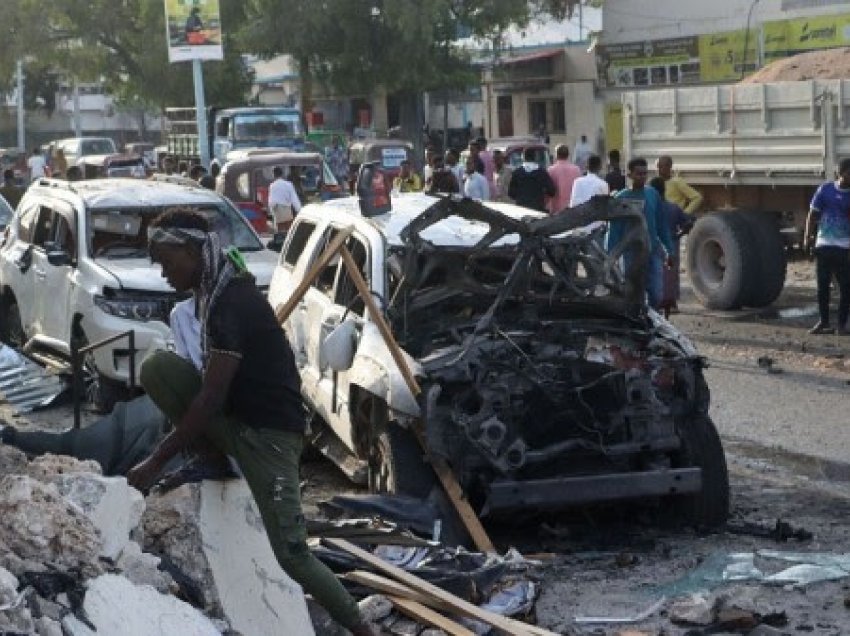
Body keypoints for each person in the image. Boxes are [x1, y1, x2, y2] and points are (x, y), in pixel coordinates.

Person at [126, 209, 376, 635]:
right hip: (239, 425)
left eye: (168, 261)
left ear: (192, 251)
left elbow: (210, 397)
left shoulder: (231, 303)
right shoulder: (212, 293)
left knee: (292, 553)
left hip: (270, 437)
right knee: (157, 368)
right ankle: (214, 459)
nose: (164, 273)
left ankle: (364, 629)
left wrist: (155, 461)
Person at [608, 157, 674, 309]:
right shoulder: (620, 198)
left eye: (645, 174)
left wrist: (669, 250)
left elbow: (661, 225)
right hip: (630, 252)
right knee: (632, 292)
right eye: (639, 174)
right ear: (629, 175)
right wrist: (611, 256)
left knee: (656, 294)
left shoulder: (652, 195)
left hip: (652, 250)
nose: (642, 177)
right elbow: (615, 229)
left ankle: (653, 323)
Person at [804, 158, 850, 334]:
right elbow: (812, 214)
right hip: (824, 245)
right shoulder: (825, 190)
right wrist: (807, 237)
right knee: (822, 286)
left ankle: (841, 325)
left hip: (844, 247)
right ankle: (823, 322)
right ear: (841, 173)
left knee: (846, 288)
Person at [650, 177, 694, 317]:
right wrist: (679, 235)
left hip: (652, 248)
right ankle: (668, 313)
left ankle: (654, 313)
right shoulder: (673, 208)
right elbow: (688, 223)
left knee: (653, 279)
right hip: (671, 248)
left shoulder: (648, 208)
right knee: (670, 279)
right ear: (664, 190)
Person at [508, 147, 556, 212]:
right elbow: (552, 191)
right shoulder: (542, 172)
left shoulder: (517, 173)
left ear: (523, 157)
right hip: (537, 208)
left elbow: (511, 193)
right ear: (535, 157)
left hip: (521, 208)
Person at [547, 144, 581, 214]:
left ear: (556, 155)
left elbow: (548, 191)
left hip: (555, 210)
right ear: (568, 155)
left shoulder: (551, 170)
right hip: (572, 209)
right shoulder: (576, 170)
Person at [268, 166, 302, 233]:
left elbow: (271, 202)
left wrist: (272, 213)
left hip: (277, 212)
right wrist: (299, 210)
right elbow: (294, 199)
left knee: (280, 232)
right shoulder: (288, 184)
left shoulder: (272, 186)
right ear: (282, 174)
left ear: (274, 175)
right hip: (287, 211)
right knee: (289, 231)